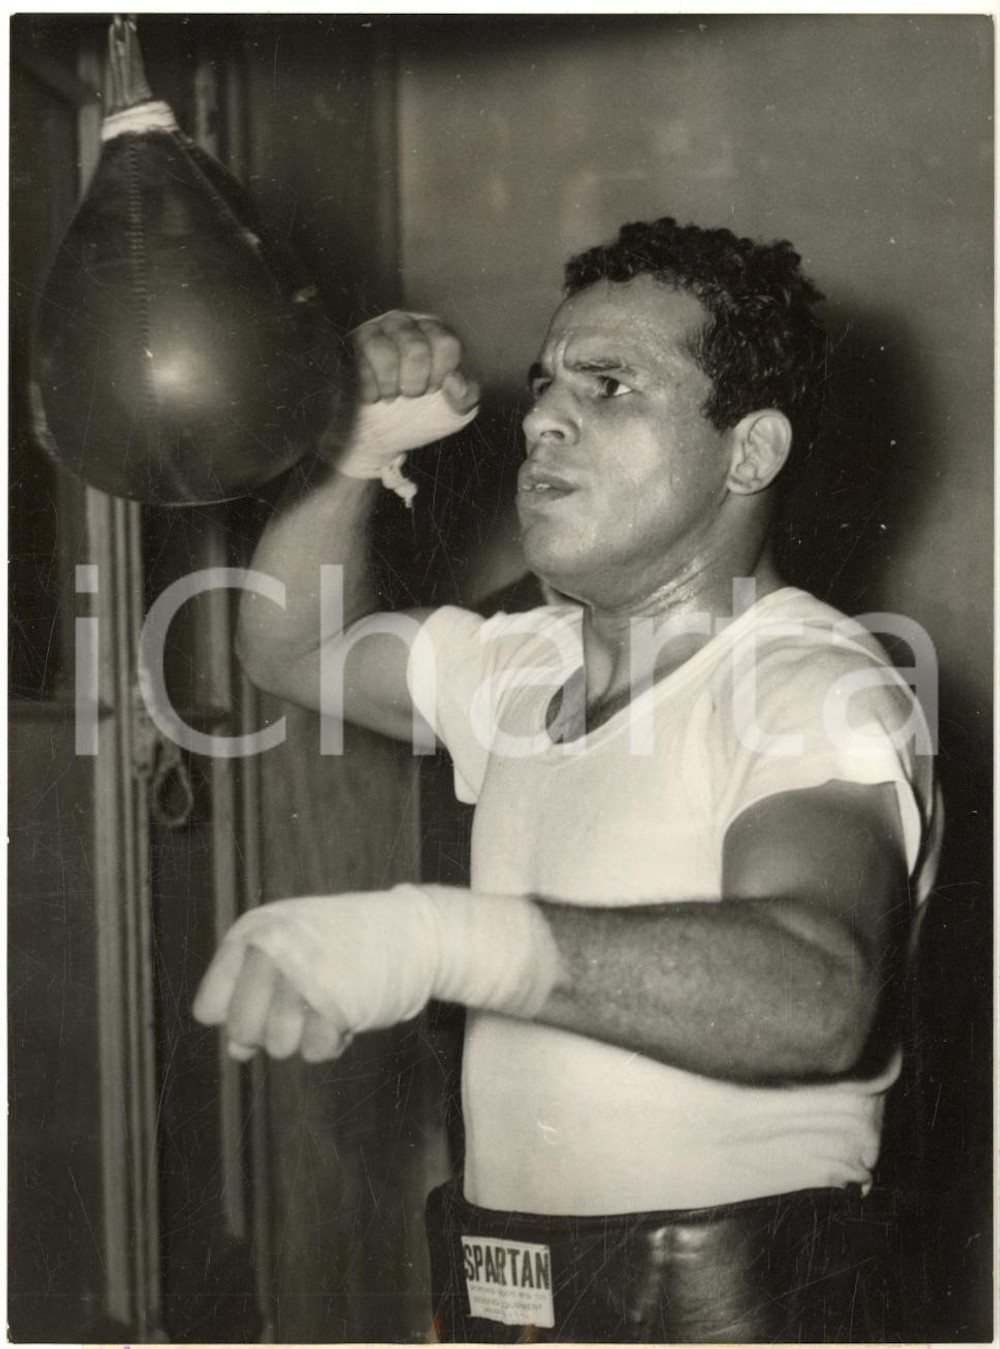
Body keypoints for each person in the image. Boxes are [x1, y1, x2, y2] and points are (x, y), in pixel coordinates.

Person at [194, 217, 940, 1342]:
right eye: (548, 382)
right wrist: (346, 450)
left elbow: (818, 993)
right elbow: (286, 650)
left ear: (749, 451)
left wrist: (439, 939)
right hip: (511, 1292)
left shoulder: (810, 682)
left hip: (736, 1306)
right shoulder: (527, 657)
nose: (541, 416)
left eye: (609, 387)